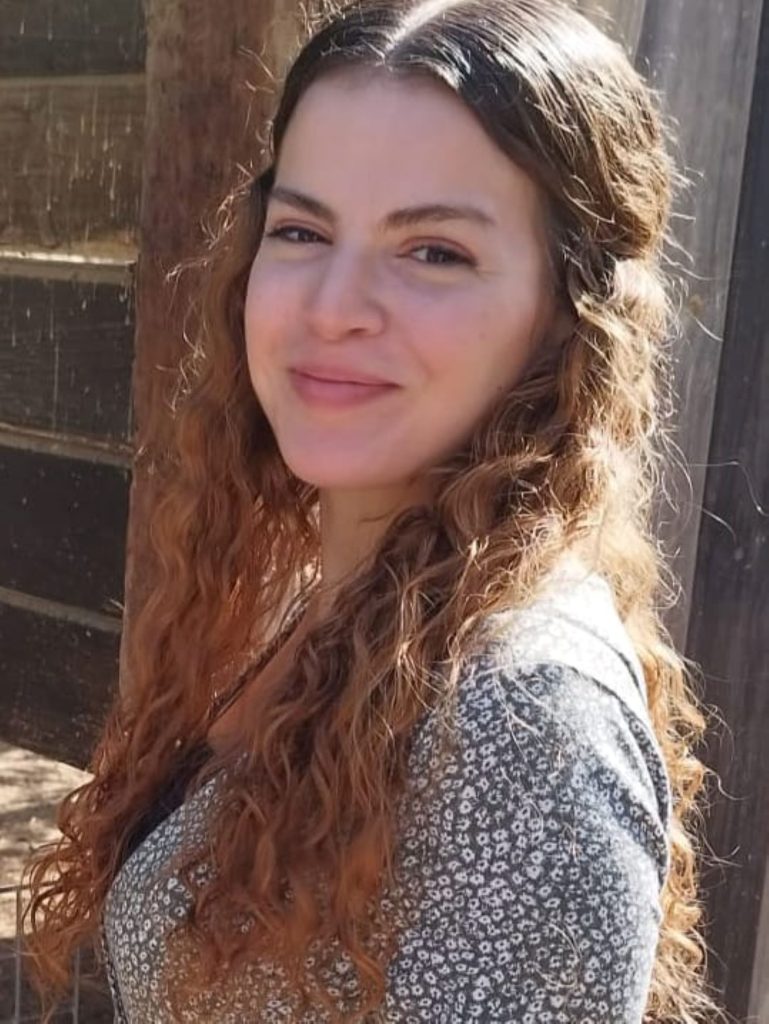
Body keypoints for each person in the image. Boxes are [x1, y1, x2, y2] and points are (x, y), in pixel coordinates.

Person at [23, 0, 726, 1021]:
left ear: (567, 314)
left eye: (433, 250)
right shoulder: (335, 601)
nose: (331, 306)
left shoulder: (521, 718)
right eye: (302, 231)